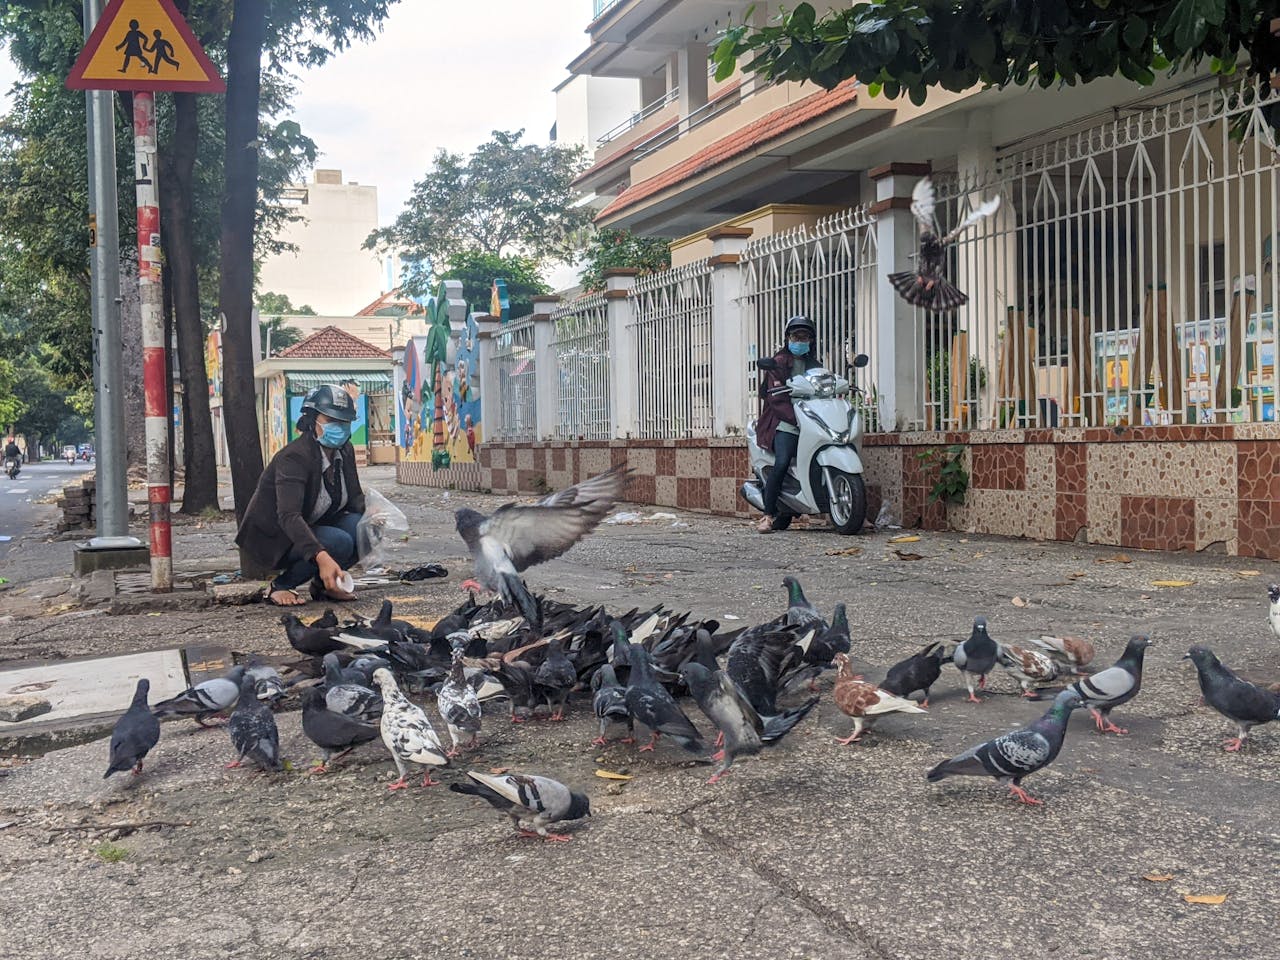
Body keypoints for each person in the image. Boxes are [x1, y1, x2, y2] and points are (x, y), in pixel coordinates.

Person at [236, 384, 367, 606]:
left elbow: (354, 497)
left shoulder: (345, 449)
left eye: (345, 422)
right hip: (277, 537)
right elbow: (288, 516)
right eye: (331, 421)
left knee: (365, 528)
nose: (340, 428)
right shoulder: (294, 458)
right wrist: (323, 557)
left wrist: (374, 516)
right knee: (339, 542)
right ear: (312, 421)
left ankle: (326, 585)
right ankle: (281, 586)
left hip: (315, 525)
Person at [754, 316, 824, 533]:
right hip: (785, 421)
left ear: (812, 340)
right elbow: (775, 399)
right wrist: (797, 420)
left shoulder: (816, 365)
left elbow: (825, 388)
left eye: (805, 337)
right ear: (788, 338)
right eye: (796, 336)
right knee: (782, 462)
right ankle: (767, 514)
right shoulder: (778, 363)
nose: (800, 341)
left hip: (813, 420)